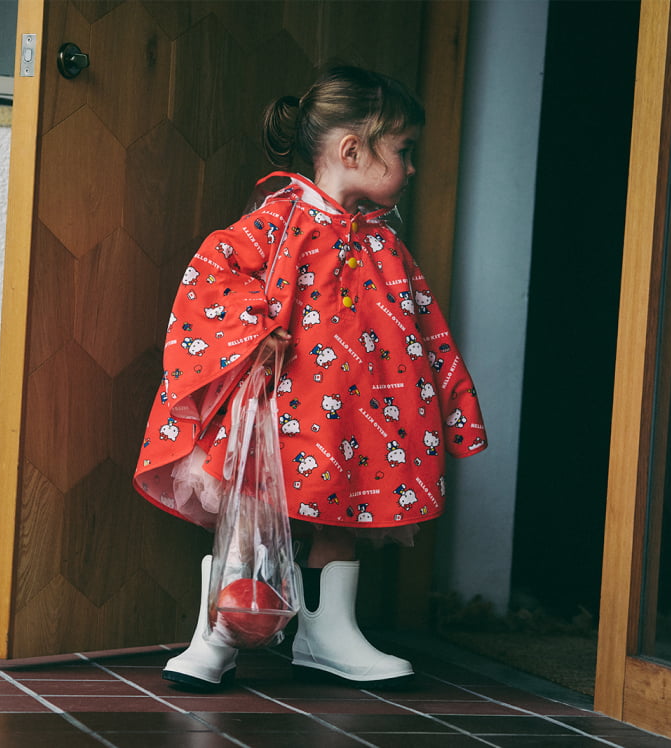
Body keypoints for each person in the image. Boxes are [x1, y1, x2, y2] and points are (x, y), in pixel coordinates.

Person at [134, 66, 488, 690]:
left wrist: (454, 406)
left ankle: (329, 634)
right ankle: (219, 632)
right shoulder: (276, 222)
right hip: (275, 411)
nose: (411, 168)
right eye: (403, 151)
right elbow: (212, 277)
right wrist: (253, 329)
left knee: (343, 513)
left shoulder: (387, 246)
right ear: (353, 150)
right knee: (248, 516)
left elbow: (427, 330)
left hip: (357, 420)